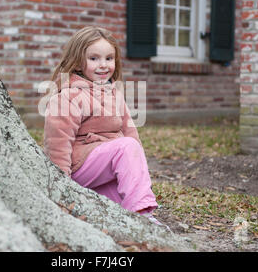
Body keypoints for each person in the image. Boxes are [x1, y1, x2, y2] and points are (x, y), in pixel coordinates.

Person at [43, 26, 171, 230]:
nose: (103, 65)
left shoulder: (114, 93)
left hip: (106, 166)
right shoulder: (67, 97)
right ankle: (141, 215)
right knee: (126, 147)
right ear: (77, 62)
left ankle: (137, 218)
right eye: (94, 59)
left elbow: (130, 132)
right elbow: (58, 143)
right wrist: (62, 187)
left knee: (119, 207)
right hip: (78, 167)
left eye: (109, 58)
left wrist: (137, 171)